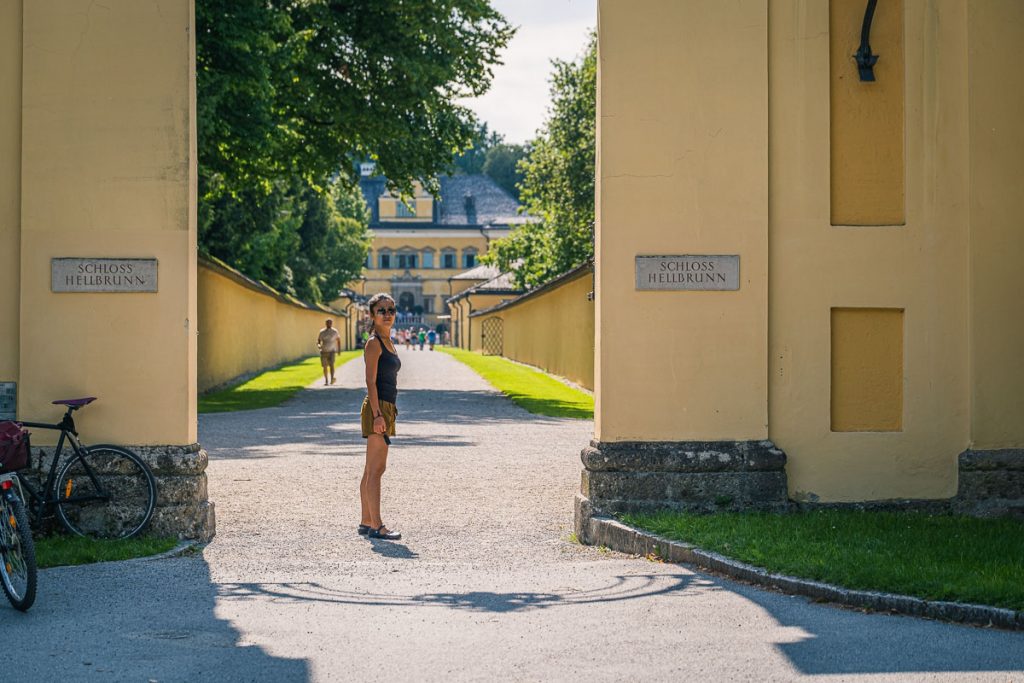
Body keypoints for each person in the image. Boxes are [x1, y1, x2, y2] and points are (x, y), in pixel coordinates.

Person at [358, 293, 402, 541]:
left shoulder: (388, 341)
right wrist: (377, 415)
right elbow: (370, 381)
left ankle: (366, 520)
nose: (387, 314)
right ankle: (377, 525)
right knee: (377, 469)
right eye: (382, 310)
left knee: (369, 469)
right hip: (378, 408)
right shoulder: (374, 343)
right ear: (372, 315)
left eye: (391, 310)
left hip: (386, 407)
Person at [316, 319, 341, 386]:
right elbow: (318, 340)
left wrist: (339, 350)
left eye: (330, 323)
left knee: (332, 365)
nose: (329, 324)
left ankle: (332, 378)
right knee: (324, 366)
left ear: (332, 323)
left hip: (332, 351)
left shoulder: (335, 331)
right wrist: (319, 345)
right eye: (328, 323)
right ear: (326, 323)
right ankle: (326, 380)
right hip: (324, 351)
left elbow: (338, 340)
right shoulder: (322, 332)